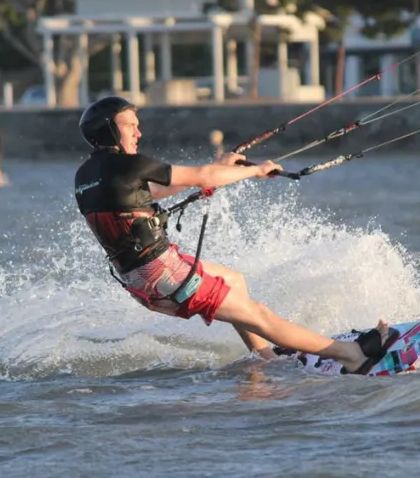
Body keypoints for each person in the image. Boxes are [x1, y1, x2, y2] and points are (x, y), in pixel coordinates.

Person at [73, 96, 397, 375]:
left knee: (234, 281)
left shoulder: (87, 175)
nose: (138, 132)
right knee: (259, 316)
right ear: (109, 130)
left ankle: (267, 360)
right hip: (165, 274)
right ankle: (352, 356)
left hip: (139, 278)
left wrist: (221, 169)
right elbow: (201, 176)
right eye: (130, 125)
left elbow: (153, 192)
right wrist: (253, 170)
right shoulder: (129, 165)